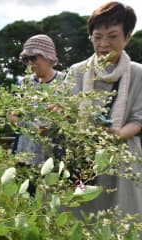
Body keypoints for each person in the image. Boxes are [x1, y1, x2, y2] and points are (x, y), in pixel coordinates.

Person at [66, 1, 142, 219]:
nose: (103, 44)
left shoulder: (138, 73)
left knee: (122, 219)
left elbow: (138, 119)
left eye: (112, 36)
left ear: (127, 37)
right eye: (97, 37)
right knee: (80, 220)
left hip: (122, 160)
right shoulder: (78, 71)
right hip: (83, 159)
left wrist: (116, 135)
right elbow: (67, 110)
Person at [10, 34, 65, 164]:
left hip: (54, 154)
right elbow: (11, 115)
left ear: (48, 56)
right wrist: (31, 127)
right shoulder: (23, 84)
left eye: (33, 58)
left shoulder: (64, 82)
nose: (30, 63)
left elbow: (72, 114)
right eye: (26, 59)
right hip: (25, 153)